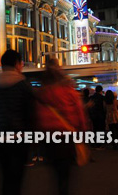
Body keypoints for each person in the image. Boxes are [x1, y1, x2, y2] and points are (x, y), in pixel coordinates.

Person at [35, 58, 87, 195]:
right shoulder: (69, 91)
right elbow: (79, 113)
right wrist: (82, 133)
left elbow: (37, 117)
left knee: (56, 173)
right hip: (66, 137)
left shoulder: (41, 93)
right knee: (65, 175)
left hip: (48, 138)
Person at [0, 50, 34, 195]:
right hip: (19, 140)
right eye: (21, 64)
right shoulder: (23, 86)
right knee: (16, 179)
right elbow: (30, 114)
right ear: (17, 64)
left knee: (5, 177)